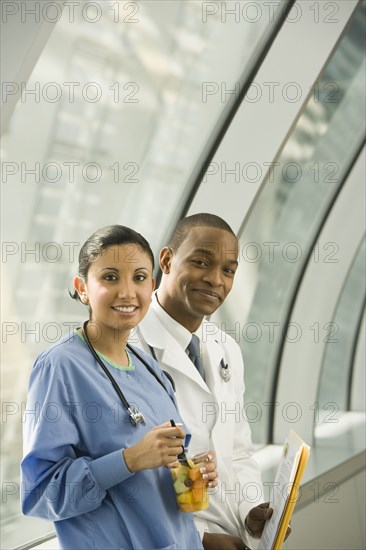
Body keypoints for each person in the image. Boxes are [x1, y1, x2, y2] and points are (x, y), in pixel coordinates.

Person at [21, 224, 218, 550]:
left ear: (152, 285)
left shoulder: (148, 366)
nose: (127, 292)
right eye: (110, 277)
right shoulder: (60, 367)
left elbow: (163, 467)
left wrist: (192, 469)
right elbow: (41, 494)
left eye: (139, 278)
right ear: (82, 288)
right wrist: (128, 460)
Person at [132, 213, 275, 550]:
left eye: (228, 270)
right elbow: (129, 475)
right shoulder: (129, 349)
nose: (215, 280)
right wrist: (198, 539)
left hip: (232, 535)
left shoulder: (225, 347)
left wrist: (251, 510)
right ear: (166, 260)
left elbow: (238, 450)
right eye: (200, 262)